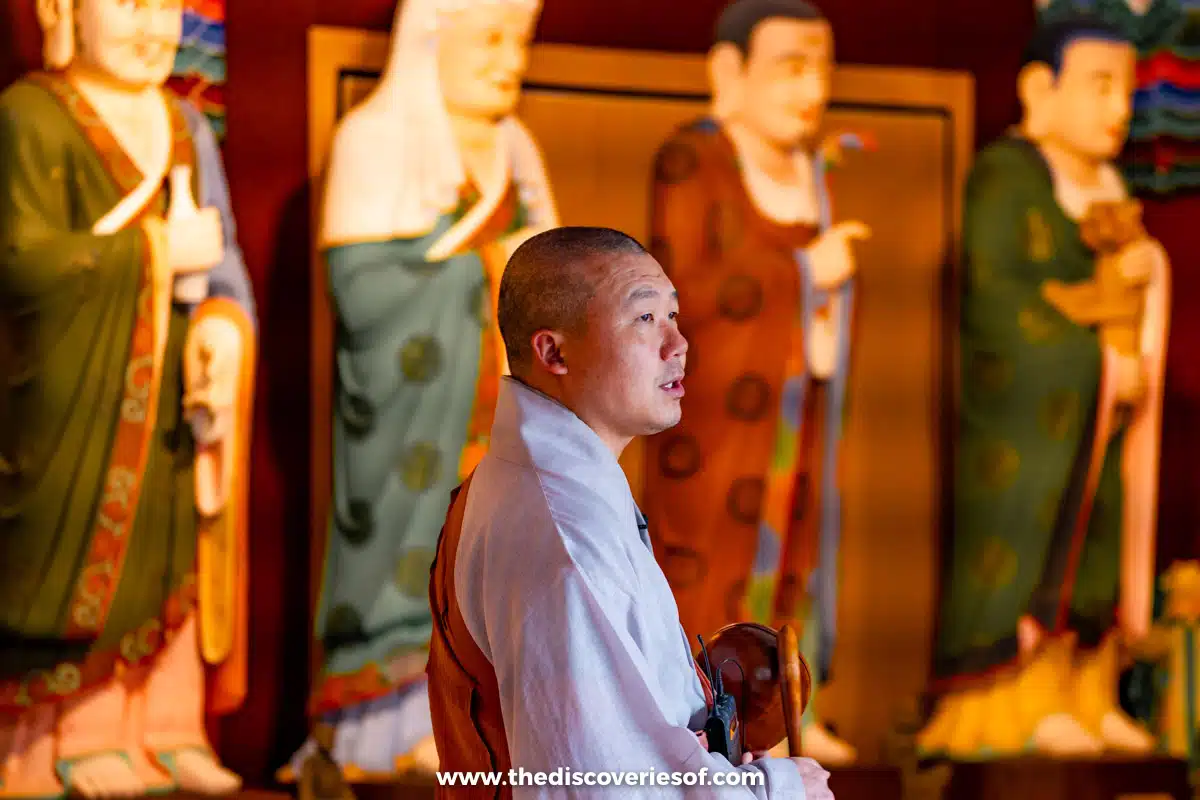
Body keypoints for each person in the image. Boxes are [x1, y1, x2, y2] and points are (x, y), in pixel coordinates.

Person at [425, 226, 833, 798]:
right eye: (645, 319)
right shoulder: (564, 529)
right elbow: (595, 782)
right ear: (553, 352)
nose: (678, 343)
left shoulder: (543, 484)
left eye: (673, 314)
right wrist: (777, 790)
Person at [0, 0, 256, 796]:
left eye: (167, 6)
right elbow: (19, 262)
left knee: (170, 547)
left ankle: (169, 725)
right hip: (72, 396)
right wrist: (151, 253)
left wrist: (222, 323)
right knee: (85, 548)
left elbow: (224, 264)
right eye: (129, 3)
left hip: (175, 398)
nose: (153, 27)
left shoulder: (185, 125)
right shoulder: (29, 116)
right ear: (60, 9)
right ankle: (78, 731)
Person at [297, 0, 557, 778]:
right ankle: (389, 724)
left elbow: (560, 270)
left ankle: (490, 732)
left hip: (501, 406)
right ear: (432, 36)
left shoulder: (515, 144)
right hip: (414, 419)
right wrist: (483, 271)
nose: (509, 59)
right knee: (419, 544)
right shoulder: (374, 140)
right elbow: (362, 290)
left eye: (521, 42)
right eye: (491, 40)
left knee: (505, 563)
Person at [917, 15, 1169, 759]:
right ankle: (1011, 699)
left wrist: (1146, 279)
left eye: (1127, 88)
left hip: (1104, 417)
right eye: (1099, 85)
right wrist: (1093, 356)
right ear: (1039, 88)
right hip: (1031, 419)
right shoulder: (1006, 176)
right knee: (1027, 538)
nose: (1119, 107)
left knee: (1099, 542)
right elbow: (999, 305)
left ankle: (1088, 694)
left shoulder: (1111, 185)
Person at [642, 0, 866, 763]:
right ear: (729, 72)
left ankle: (785, 711)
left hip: (793, 412)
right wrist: (803, 272)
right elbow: (681, 293)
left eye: (822, 67)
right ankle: (706, 714)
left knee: (796, 548)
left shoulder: (813, 173)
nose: (811, 87)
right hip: (712, 425)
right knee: (716, 560)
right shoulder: (693, 159)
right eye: (790, 66)